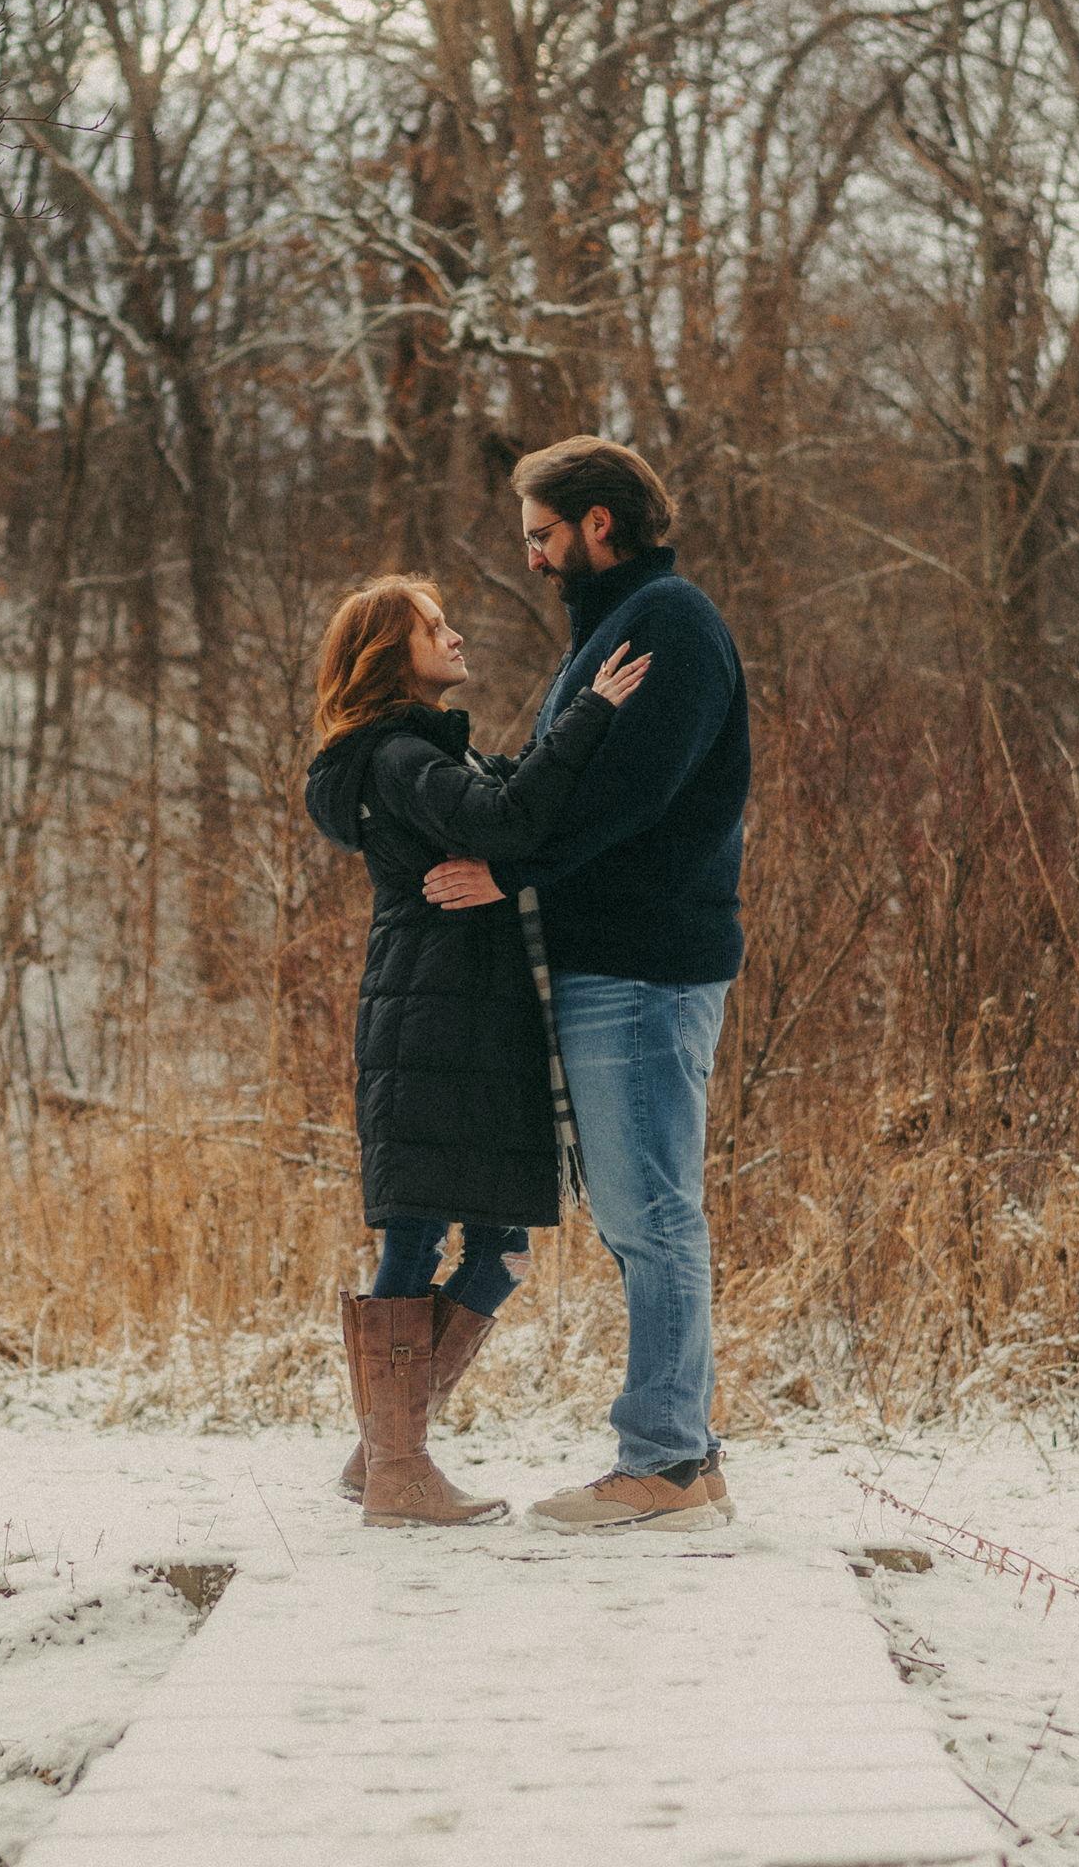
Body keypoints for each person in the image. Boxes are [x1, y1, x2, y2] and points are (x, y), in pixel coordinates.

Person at [423, 438, 749, 1533]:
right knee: (639, 1215)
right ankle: (686, 1459)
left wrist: (509, 867)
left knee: (650, 1214)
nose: (532, 559)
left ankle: (658, 1465)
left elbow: (633, 797)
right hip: (616, 960)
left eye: (541, 535)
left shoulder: (669, 622)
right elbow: (572, 773)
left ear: (597, 522)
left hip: (645, 964)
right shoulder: (626, 626)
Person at [304, 574, 651, 1528]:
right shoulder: (397, 757)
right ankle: (399, 1473)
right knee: (417, 1233)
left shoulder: (417, 755)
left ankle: (381, 1455)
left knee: (499, 1246)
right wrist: (587, 716)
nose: (456, 637)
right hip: (434, 1019)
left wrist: (569, 733)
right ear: (390, 653)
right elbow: (505, 821)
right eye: (435, 627)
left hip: (462, 1016)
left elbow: (508, 797)